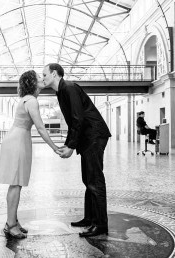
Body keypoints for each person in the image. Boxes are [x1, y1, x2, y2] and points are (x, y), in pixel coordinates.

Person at [40, 63, 112, 237]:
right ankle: (90, 218)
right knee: (88, 180)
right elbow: (74, 122)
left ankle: (100, 224)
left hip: (94, 135)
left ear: (54, 74)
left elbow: (77, 118)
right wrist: (68, 143)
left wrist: (71, 146)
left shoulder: (69, 88)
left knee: (95, 181)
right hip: (88, 137)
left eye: (44, 74)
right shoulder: (62, 90)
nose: (42, 78)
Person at [0, 70, 61, 239]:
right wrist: (55, 147)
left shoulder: (26, 99)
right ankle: (10, 225)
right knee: (15, 183)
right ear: (33, 83)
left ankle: (12, 221)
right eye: (39, 77)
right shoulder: (32, 100)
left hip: (17, 138)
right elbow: (40, 128)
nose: (42, 79)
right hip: (17, 141)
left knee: (15, 183)